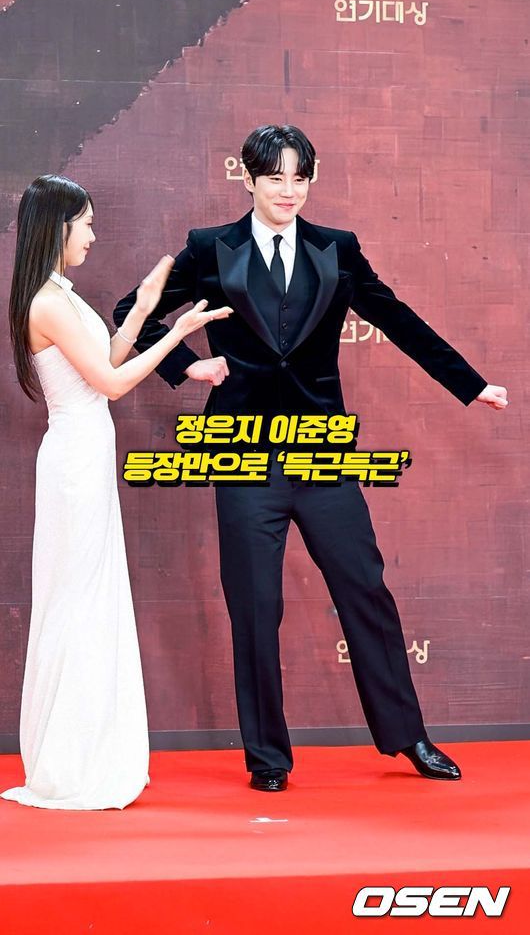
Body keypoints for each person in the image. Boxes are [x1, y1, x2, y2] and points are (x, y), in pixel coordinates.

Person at [114, 125, 508, 792]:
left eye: (300, 178)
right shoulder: (210, 248)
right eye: (276, 178)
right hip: (242, 457)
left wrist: (470, 385)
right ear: (248, 179)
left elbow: (397, 318)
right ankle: (267, 757)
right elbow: (133, 310)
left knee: (365, 588)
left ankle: (408, 735)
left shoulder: (336, 247)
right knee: (255, 605)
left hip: (322, 455)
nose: (289, 191)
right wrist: (186, 367)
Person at [1, 174, 232, 809]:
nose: (93, 235)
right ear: (58, 226)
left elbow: (104, 358)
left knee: (90, 595)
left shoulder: (59, 294)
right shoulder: (47, 302)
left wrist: (145, 309)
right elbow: (109, 383)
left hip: (86, 457)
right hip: (74, 462)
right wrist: (178, 334)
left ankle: (90, 753)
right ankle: (71, 763)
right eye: (86, 224)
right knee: (76, 599)